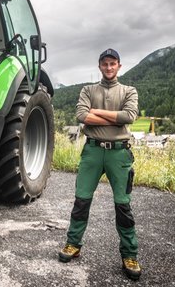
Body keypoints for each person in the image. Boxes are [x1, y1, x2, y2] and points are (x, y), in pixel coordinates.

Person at [58, 48, 141, 280]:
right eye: (105, 64)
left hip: (119, 154)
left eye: (113, 63)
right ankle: (73, 244)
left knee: (123, 206)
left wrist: (97, 112)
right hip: (92, 151)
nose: (108, 67)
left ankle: (130, 254)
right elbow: (82, 116)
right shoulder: (88, 90)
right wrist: (111, 116)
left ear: (119, 66)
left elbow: (130, 117)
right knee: (81, 200)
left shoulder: (129, 91)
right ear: (99, 66)